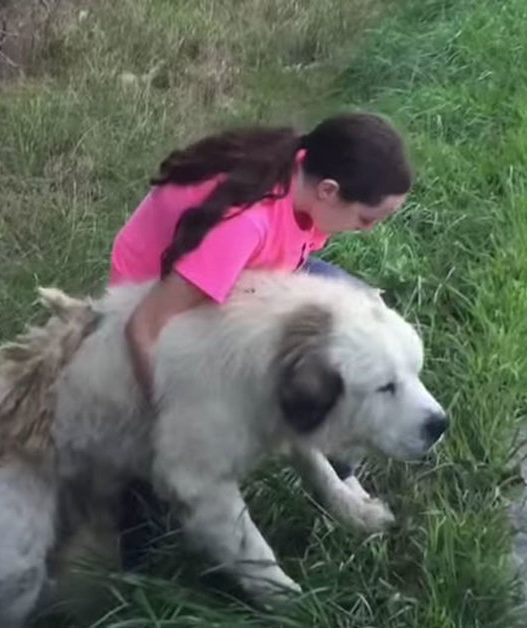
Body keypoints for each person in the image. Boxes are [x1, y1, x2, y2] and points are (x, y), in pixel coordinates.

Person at [107, 111, 413, 569]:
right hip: (156, 300)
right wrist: (172, 422)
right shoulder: (244, 224)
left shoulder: (305, 179)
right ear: (329, 189)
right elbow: (144, 328)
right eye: (367, 218)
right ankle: (135, 559)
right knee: (165, 439)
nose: (369, 229)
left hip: (239, 274)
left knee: (349, 314)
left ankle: (339, 469)